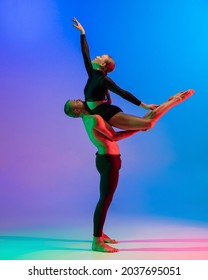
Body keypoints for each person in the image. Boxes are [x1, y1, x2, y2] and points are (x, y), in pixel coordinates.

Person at [72, 17, 194, 131]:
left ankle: (175, 100)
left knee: (148, 124)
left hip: (108, 113)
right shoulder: (92, 73)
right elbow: (85, 53)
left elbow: (123, 93)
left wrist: (144, 106)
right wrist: (82, 33)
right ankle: (168, 102)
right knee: (145, 124)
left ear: (103, 65)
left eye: (100, 57)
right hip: (101, 112)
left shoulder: (104, 80)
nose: (97, 56)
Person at [64, 99, 143, 253]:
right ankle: (97, 242)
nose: (79, 99)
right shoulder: (93, 119)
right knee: (104, 200)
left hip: (109, 159)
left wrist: (106, 97)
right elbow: (114, 136)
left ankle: (100, 234)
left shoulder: (92, 117)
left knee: (105, 199)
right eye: (75, 101)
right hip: (108, 161)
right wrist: (138, 129)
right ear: (76, 111)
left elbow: (105, 107)